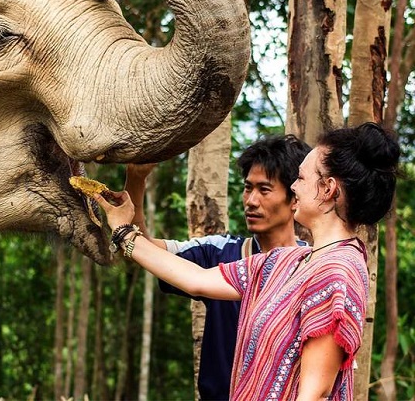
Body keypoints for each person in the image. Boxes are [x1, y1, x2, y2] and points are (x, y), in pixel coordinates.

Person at [95, 122, 400, 400]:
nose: (294, 186)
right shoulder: (288, 261)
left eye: (302, 178)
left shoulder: (337, 272)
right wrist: (123, 231)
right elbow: (196, 278)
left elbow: (315, 394)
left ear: (329, 188)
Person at [124, 134, 311, 400]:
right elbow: (143, 250)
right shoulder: (221, 252)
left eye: (264, 189)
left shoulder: (313, 266)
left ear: (294, 198)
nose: (251, 201)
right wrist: (136, 180)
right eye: (248, 188)